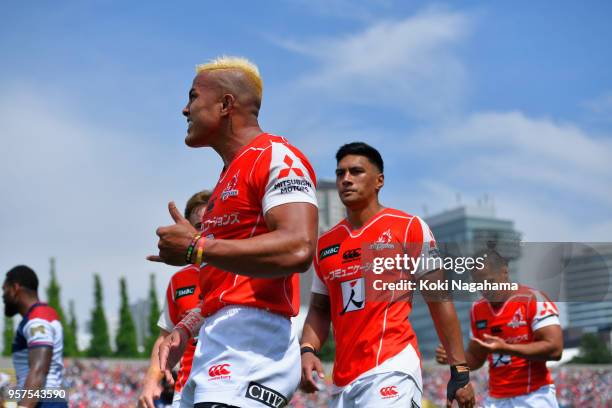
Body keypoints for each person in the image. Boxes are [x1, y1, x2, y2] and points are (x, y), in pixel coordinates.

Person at [148, 56, 319, 407]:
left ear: (225, 105)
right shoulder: (227, 176)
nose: (185, 109)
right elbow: (226, 286)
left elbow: (299, 248)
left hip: (253, 342)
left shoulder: (276, 156)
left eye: (193, 97)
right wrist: (185, 328)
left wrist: (196, 247)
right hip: (215, 340)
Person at [300, 142, 475, 408]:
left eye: (356, 171)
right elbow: (319, 309)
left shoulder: (408, 228)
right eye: (340, 173)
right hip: (343, 382)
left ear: (379, 181)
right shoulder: (325, 244)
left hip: (392, 367)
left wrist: (459, 372)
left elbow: (439, 300)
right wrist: (308, 350)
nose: (346, 179)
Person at [436, 248, 563, 407]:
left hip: (533, 396)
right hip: (496, 400)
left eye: (489, 282)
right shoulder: (477, 310)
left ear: (504, 272)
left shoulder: (533, 299)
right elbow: (476, 358)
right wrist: (453, 357)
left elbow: (555, 349)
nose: (485, 288)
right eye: (479, 284)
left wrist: (507, 348)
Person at [139, 191, 211, 408]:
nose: (205, 231)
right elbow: (164, 337)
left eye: (210, 224)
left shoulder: (239, 267)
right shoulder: (179, 280)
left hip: (231, 380)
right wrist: (151, 381)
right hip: (187, 387)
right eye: (198, 227)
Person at [3, 265, 67, 408]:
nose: (3, 296)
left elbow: (39, 369)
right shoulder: (35, 318)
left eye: (4, 289)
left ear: (15, 288)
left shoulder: (38, 319)